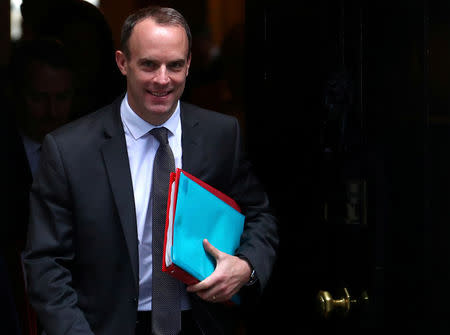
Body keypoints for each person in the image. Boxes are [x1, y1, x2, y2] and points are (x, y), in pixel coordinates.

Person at [23, 6, 278, 335]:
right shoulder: (69, 150)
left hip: (201, 323)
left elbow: (260, 215)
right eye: (148, 64)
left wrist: (246, 266)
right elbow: (45, 265)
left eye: (174, 65)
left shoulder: (221, 135)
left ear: (188, 65)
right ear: (122, 62)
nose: (162, 79)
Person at [4, 37, 75, 335]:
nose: (52, 111)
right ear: (16, 95)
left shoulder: (90, 149)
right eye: (39, 98)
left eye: (61, 98)